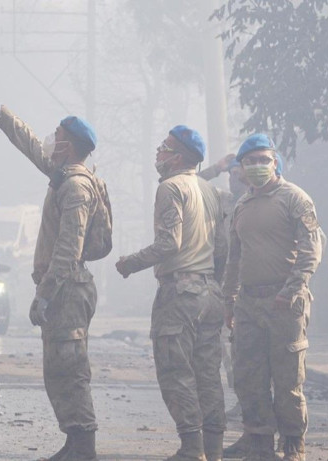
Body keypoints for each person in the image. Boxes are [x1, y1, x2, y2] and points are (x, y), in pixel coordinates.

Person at [0, 98, 102, 461]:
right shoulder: (62, 175)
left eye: (57, 135)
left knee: (71, 367)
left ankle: (84, 445)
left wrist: (44, 293)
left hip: (68, 289)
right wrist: (4, 114)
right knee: (58, 368)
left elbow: (68, 248)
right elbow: (30, 147)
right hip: (64, 287)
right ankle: (74, 440)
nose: (49, 139)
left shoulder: (76, 187)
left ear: (69, 145)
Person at [115, 125, 227, 461]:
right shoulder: (209, 190)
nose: (159, 152)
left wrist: (130, 263)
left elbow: (169, 243)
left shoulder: (170, 188)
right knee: (208, 374)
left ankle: (192, 449)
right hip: (210, 291)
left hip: (180, 294)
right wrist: (214, 280)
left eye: (165, 146)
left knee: (176, 372)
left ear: (177, 156)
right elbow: (221, 245)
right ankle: (214, 449)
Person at [223, 134, 322, 461]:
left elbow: (311, 251)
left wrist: (290, 290)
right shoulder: (242, 205)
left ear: (275, 162)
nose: (257, 166)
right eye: (249, 161)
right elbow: (234, 259)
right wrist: (229, 301)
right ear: (240, 170)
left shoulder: (295, 199)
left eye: (263, 159)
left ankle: (293, 443)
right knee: (248, 376)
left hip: (285, 303)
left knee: (288, 378)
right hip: (248, 303)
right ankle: (259, 440)